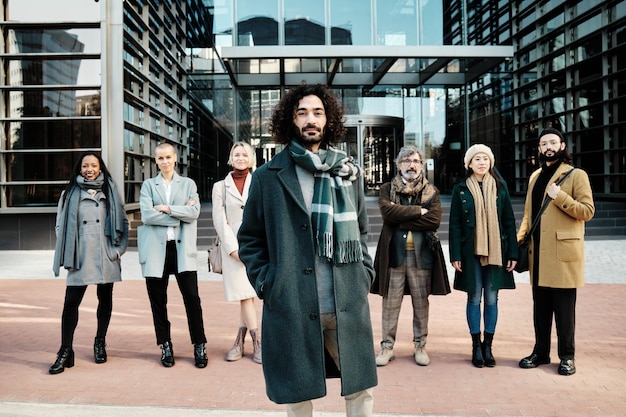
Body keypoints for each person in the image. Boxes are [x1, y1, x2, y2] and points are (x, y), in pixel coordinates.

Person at [237, 83, 377, 417]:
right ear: (291, 121)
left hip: (346, 300)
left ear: (329, 120)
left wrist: (363, 276)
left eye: (317, 112)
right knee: (297, 394)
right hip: (292, 302)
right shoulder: (269, 177)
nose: (310, 119)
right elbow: (250, 239)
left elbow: (361, 230)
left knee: (360, 390)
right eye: (302, 113)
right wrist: (268, 284)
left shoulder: (347, 171)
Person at [517, 128, 595, 376]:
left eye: (553, 142)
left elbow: (587, 211)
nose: (548, 147)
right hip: (538, 254)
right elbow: (529, 214)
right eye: (544, 143)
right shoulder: (535, 176)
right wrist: (519, 242)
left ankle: (567, 357)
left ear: (562, 145)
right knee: (540, 310)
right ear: (539, 149)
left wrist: (560, 196)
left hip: (562, 254)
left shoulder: (576, 175)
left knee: (564, 312)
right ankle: (540, 352)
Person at [50, 151, 129, 374]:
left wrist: (117, 251)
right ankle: (65, 350)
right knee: (71, 302)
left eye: (94, 166)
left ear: (100, 168)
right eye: (85, 166)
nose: (90, 170)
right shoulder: (69, 194)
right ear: (79, 169)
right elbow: (60, 226)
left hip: (105, 254)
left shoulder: (110, 191)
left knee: (104, 299)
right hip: (79, 255)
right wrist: (69, 250)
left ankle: (100, 342)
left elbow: (122, 222)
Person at [371, 145, 443, 367]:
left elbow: (434, 220)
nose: (411, 165)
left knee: (421, 303)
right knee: (390, 304)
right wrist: (418, 212)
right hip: (394, 255)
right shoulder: (386, 189)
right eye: (406, 161)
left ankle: (420, 346)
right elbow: (387, 212)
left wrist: (399, 216)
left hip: (422, 256)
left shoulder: (432, 191)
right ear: (398, 164)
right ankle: (387, 347)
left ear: (421, 164)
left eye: (415, 161)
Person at [137, 142, 208, 369]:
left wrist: (166, 208)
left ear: (175, 158)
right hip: (157, 251)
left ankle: (199, 344)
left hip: (181, 251)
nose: (165, 162)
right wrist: (180, 213)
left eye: (168, 157)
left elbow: (195, 212)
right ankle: (165, 345)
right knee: (158, 302)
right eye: (160, 158)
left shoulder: (188, 184)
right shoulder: (148, 185)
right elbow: (147, 216)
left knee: (192, 300)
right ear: (155, 161)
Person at [448, 144, 518, 368]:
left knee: (492, 299)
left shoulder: (500, 186)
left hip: (497, 252)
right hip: (470, 253)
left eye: (485, 159)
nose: (481, 162)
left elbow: (508, 221)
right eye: (477, 159)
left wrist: (513, 253)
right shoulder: (461, 189)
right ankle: (475, 346)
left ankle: (488, 346)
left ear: (491, 162)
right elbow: (455, 225)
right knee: (474, 298)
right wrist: (455, 255)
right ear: (469, 164)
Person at [212, 141, 262, 364]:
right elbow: (219, 220)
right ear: (230, 158)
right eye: (236, 154)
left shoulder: (260, 182)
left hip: (257, 247)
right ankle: (257, 344)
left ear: (251, 158)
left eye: (244, 154)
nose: (240, 157)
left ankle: (239, 342)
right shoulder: (219, 187)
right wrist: (233, 249)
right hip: (232, 249)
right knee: (245, 295)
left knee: (247, 295)